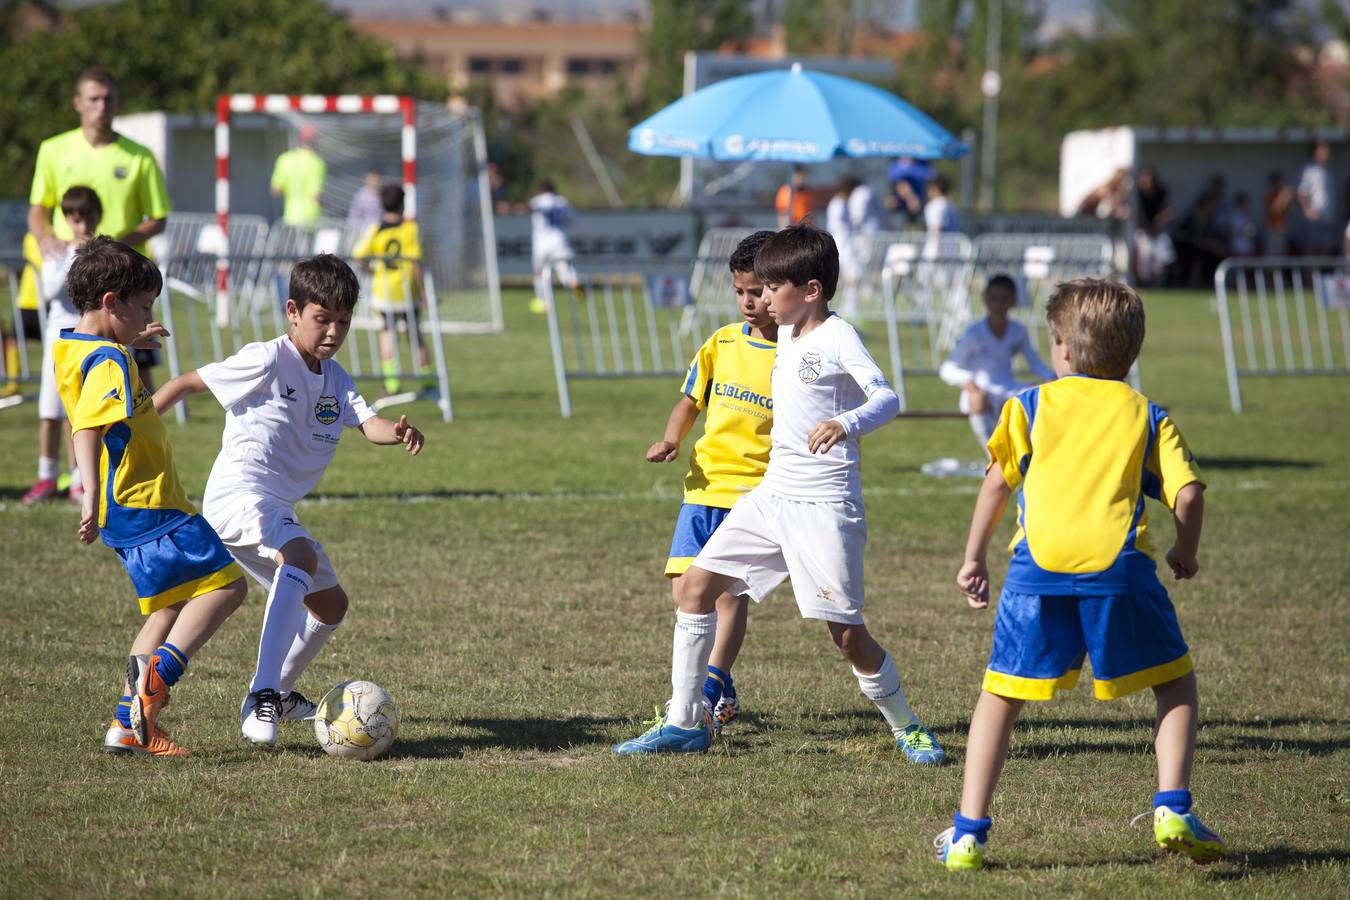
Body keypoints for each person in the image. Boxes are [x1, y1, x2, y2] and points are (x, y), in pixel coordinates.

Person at [614, 225, 945, 765]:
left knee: (846, 636)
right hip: (772, 496)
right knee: (696, 588)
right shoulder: (783, 332)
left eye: (771, 289)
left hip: (824, 506)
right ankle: (684, 723)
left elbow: (886, 398)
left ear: (811, 290)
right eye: (757, 290)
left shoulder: (838, 337)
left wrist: (845, 422)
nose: (762, 300)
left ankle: (907, 726)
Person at [934, 277, 1224, 872]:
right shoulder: (1146, 414)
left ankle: (967, 835)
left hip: (1035, 571)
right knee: (1174, 683)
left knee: (1000, 695)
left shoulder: (1028, 405)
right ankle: (1172, 806)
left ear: (1060, 348)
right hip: (1120, 571)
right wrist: (1184, 552)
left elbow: (995, 482)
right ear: (1132, 352)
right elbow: (1188, 494)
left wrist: (972, 558)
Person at [152, 254, 426, 747]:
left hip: (275, 504)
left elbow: (369, 424)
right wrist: (136, 427)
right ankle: (262, 694)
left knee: (330, 605)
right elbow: (188, 382)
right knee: (296, 555)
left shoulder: (336, 379)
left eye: (343, 322)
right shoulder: (267, 358)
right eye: (322, 319)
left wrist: (398, 431)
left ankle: (278, 689)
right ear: (293, 311)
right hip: (239, 494)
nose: (332, 332)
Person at [53, 237, 247, 757]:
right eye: (141, 307)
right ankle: (153, 684)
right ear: (111, 301)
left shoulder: (76, 345)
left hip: (130, 507)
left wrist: (134, 341)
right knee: (228, 588)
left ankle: (126, 726)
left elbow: (116, 411)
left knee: (167, 607)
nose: (147, 316)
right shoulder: (109, 363)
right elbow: (88, 429)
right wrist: (90, 494)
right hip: (144, 500)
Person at [646, 230, 777, 734]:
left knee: (728, 597)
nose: (748, 301)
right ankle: (720, 684)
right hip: (702, 488)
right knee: (684, 593)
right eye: (740, 291)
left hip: (753, 495)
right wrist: (671, 438)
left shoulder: (794, 354)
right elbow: (690, 400)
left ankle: (709, 685)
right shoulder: (721, 343)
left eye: (757, 292)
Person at [29, 67, 171, 388]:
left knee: (135, 366)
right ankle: (78, 438)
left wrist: (116, 245)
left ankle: (140, 431)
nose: (102, 106)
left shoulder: (139, 156)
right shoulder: (54, 149)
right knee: (75, 371)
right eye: (94, 99)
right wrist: (44, 236)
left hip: (125, 277)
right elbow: (38, 209)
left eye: (109, 99)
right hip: (76, 275)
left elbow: (158, 218)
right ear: (78, 102)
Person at [23, 186, 102, 507]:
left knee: (78, 412)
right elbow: (53, 289)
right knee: (50, 410)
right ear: (67, 220)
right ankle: (47, 474)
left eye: (88, 220)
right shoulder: (58, 251)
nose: (82, 228)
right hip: (59, 338)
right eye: (75, 220)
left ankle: (79, 477)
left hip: (88, 337)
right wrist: (72, 254)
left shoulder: (101, 253)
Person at [938, 273, 1055, 452]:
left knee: (1039, 394)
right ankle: (993, 455)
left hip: (1008, 388)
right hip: (981, 389)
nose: (998, 304)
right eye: (993, 298)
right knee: (978, 398)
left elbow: (1034, 363)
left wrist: (1051, 378)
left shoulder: (1018, 330)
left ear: (1013, 301)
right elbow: (948, 368)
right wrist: (967, 381)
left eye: (1004, 299)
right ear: (985, 300)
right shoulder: (974, 332)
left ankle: (1033, 454)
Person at [351, 184, 434, 396]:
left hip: (384, 292)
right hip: (406, 292)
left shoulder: (375, 229)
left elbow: (359, 257)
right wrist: (423, 290)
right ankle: (428, 381)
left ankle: (392, 384)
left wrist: (373, 270)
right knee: (416, 337)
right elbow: (415, 263)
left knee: (387, 336)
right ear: (403, 204)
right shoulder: (410, 229)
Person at [529, 179, 578, 314]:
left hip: (541, 243)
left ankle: (545, 303)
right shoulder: (562, 201)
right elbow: (572, 219)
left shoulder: (537, 200)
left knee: (539, 274)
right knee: (563, 267)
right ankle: (576, 287)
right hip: (559, 240)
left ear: (540, 191)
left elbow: (531, 209)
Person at [271, 123, 326, 227]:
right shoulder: (316, 162)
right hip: (312, 218)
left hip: (291, 217)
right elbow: (316, 196)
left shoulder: (285, 159)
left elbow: (276, 190)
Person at [1296, 140, 1334, 254]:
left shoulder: (1328, 171)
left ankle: (1320, 273)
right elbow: (1302, 192)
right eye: (1323, 151)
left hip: (1326, 218)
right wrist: (1308, 210)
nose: (1326, 154)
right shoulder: (1308, 169)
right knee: (1312, 251)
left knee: (1325, 250)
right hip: (1313, 219)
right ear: (1315, 152)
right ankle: (1310, 272)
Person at [888, 156, 933, 225]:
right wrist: (911, 198)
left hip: (921, 206)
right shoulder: (896, 166)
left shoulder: (923, 164)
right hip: (902, 211)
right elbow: (899, 184)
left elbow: (931, 182)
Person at [345, 169, 384, 241]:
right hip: (362, 234)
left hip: (377, 234)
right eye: (373, 179)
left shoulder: (382, 195)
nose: (375, 182)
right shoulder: (361, 196)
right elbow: (354, 215)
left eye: (377, 179)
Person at [1263, 171, 1293, 256]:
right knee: (1271, 258)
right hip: (1273, 230)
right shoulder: (1270, 195)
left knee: (1281, 258)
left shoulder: (1281, 195)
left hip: (1282, 230)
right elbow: (1275, 211)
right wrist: (1284, 196)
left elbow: (1289, 212)